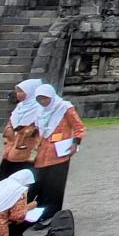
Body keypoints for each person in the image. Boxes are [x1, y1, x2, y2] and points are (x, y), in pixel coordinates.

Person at [31, 84, 86, 220]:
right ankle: (38, 213)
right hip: (42, 153)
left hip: (59, 153)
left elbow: (79, 127)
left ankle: (51, 214)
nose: (43, 102)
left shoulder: (64, 107)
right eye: (40, 99)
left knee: (54, 186)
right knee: (40, 185)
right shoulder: (39, 110)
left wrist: (75, 143)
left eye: (45, 99)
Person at [0, 78, 43, 183]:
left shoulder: (39, 108)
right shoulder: (20, 107)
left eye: (21, 91)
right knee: (5, 179)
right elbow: (11, 121)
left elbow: (43, 127)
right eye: (17, 91)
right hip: (12, 147)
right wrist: (10, 129)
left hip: (28, 150)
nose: (18, 94)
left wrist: (30, 131)